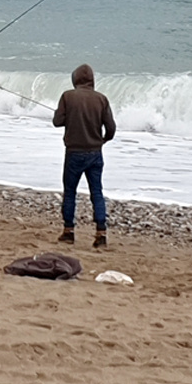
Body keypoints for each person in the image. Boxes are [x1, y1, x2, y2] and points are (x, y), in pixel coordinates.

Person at [53, 63, 116, 248]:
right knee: (96, 192)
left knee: (70, 192)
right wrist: (103, 140)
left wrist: (66, 115)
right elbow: (111, 128)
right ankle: (101, 234)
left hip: (73, 152)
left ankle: (68, 232)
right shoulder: (101, 99)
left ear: (75, 79)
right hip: (95, 153)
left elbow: (57, 122)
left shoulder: (68, 96)